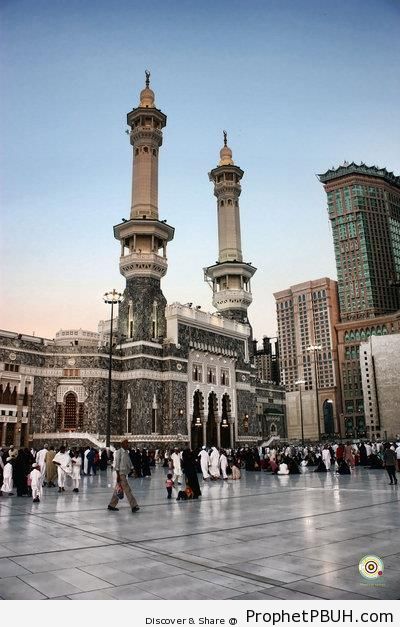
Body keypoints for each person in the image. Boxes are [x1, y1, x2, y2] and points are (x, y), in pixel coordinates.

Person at [107, 438, 140, 513]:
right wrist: (118, 475)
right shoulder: (119, 452)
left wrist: (133, 470)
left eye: (128, 443)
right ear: (122, 444)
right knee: (127, 490)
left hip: (124, 474)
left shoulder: (126, 452)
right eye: (126, 443)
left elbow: (129, 462)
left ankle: (111, 505)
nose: (128, 444)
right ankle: (134, 506)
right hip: (120, 474)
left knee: (118, 490)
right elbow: (117, 464)